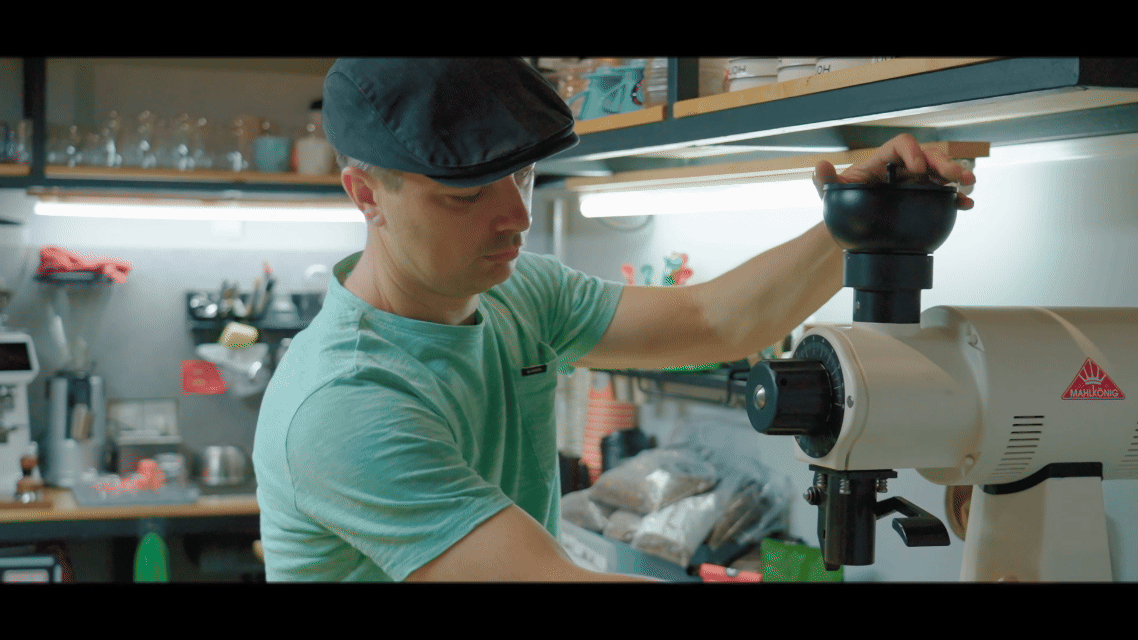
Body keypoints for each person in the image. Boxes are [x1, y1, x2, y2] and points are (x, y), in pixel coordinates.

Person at [251, 58, 976, 583]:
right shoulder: (343, 403)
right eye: (466, 194)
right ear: (366, 195)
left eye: (523, 173)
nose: (517, 215)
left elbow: (714, 321)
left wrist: (858, 218)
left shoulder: (517, 294)